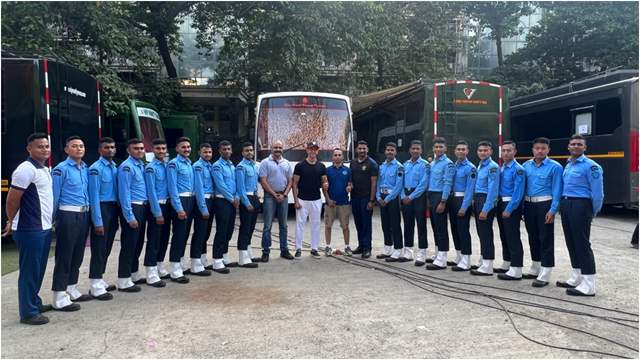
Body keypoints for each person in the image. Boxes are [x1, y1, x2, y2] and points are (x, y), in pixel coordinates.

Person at [4, 133, 56, 324]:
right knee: (29, 270)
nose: (44, 149)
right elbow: (11, 200)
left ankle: (34, 301)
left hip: (43, 227)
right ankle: (28, 313)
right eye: (40, 146)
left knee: (38, 269)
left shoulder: (42, 169)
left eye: (46, 146)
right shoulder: (25, 169)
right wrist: (11, 221)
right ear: (29, 149)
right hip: (29, 229)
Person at [558, 135, 603, 296]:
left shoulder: (592, 167)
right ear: (568, 147)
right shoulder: (569, 164)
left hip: (581, 205)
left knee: (582, 243)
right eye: (573, 144)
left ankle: (589, 284)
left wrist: (592, 211)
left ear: (585, 147)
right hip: (567, 203)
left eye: (579, 144)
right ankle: (577, 276)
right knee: (571, 241)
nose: (576, 146)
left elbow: (598, 194)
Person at [51, 136, 92, 309]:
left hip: (83, 214)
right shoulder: (61, 169)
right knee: (65, 255)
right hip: (67, 214)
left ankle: (71, 288)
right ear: (67, 150)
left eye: (81, 146)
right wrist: (53, 218)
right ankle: (59, 295)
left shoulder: (85, 168)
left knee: (77, 253)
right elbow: (54, 196)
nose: (79, 149)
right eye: (74, 146)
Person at [522, 137, 563, 287]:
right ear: (532, 150)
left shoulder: (555, 167)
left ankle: (546, 271)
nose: (540, 151)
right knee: (532, 236)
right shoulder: (526, 166)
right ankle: (536, 266)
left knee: (545, 238)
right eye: (537, 148)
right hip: (528, 204)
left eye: (543, 148)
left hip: (545, 205)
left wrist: (553, 210)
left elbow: (557, 190)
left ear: (548, 150)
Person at [87, 137, 118, 300]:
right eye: (106, 147)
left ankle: (101, 278)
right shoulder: (95, 169)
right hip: (102, 209)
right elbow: (94, 197)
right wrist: (98, 221)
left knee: (106, 246)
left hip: (113, 208)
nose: (110, 150)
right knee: (99, 248)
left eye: (112, 147)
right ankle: (95, 284)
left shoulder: (114, 167)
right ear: (100, 150)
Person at [116, 138, 149, 292]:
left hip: (142, 207)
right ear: (129, 150)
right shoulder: (126, 167)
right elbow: (124, 193)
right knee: (129, 244)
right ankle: (123, 279)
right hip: (133, 208)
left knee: (138, 243)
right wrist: (129, 216)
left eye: (141, 148)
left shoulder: (141, 165)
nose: (140, 151)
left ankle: (133, 274)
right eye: (136, 148)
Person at [259, 140, 294, 261]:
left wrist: (284, 195)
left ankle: (284, 250)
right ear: (271, 148)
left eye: (280, 147)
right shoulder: (265, 162)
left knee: (283, 225)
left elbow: (290, 181)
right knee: (267, 225)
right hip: (270, 196)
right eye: (275, 147)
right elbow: (263, 181)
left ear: (282, 149)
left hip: (283, 196)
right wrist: (274, 194)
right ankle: (266, 251)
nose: (278, 149)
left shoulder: (287, 163)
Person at [496, 141, 526, 280]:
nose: (506, 153)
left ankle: (516, 268)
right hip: (501, 203)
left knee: (513, 236)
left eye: (509, 150)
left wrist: (509, 209)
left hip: (510, 205)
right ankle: (507, 262)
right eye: (504, 150)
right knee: (504, 235)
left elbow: (518, 192)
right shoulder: (502, 168)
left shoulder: (518, 169)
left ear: (515, 152)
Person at [293, 141, 328, 258]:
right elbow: (294, 184)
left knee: (316, 224)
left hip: (316, 200)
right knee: (300, 225)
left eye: (315, 149)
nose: (313, 151)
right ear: (307, 150)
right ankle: (298, 249)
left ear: (318, 151)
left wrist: (326, 184)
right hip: (302, 199)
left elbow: (324, 181)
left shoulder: (321, 166)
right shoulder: (300, 166)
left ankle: (314, 248)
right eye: (310, 149)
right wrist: (296, 201)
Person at [166, 137, 195, 283]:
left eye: (188, 147)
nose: (187, 149)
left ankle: (181, 265)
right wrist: (179, 208)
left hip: (190, 200)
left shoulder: (189, 163)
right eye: (183, 147)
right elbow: (172, 188)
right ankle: (175, 270)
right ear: (177, 149)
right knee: (178, 236)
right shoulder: (173, 164)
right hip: (181, 202)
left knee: (184, 235)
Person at [470, 140, 500, 276]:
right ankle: (483, 260)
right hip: (478, 199)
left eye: (485, 150)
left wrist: (486, 209)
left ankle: (488, 265)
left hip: (485, 200)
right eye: (480, 150)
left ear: (491, 152)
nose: (482, 153)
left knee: (486, 233)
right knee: (481, 232)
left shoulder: (492, 167)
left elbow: (493, 190)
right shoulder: (480, 165)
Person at [425, 137, 455, 270]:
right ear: (433, 149)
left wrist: (443, 201)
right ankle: (438, 254)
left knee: (441, 228)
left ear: (445, 149)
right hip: (432, 196)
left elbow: (448, 183)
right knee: (435, 227)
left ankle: (442, 258)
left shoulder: (448, 163)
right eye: (436, 147)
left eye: (441, 147)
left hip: (440, 197)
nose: (438, 149)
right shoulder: (432, 163)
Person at [145, 139, 172, 280]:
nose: (161, 151)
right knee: (154, 239)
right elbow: (151, 192)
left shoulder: (167, 166)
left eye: (163, 148)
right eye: (158, 149)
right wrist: (157, 212)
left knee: (164, 237)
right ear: (153, 150)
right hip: (157, 206)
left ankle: (159, 265)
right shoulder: (151, 168)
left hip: (168, 205)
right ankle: (151, 271)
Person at [211, 140, 239, 273]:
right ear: (220, 151)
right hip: (223, 201)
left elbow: (236, 183)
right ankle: (217, 260)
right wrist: (232, 199)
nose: (227, 151)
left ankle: (224, 256)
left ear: (231, 150)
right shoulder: (217, 166)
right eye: (224, 149)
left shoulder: (232, 166)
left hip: (232, 201)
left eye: (228, 149)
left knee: (229, 230)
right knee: (221, 231)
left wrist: (237, 197)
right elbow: (220, 185)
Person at [400, 140, 430, 264]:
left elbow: (423, 184)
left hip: (418, 197)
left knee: (421, 224)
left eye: (418, 149)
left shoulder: (425, 165)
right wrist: (402, 196)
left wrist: (411, 197)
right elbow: (400, 182)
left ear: (421, 150)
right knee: (408, 224)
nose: (415, 151)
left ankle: (422, 253)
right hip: (405, 195)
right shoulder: (405, 165)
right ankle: (408, 251)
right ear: (409, 150)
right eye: (413, 148)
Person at [449, 141, 476, 271]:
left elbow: (470, 189)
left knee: (463, 231)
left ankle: (466, 260)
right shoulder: (454, 166)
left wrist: (464, 207)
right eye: (458, 149)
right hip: (453, 199)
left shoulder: (470, 168)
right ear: (455, 151)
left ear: (467, 151)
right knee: (455, 229)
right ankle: (459, 256)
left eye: (463, 149)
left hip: (462, 200)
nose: (460, 151)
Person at [375, 142, 404, 261]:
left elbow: (398, 186)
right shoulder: (381, 166)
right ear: (385, 152)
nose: (390, 152)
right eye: (388, 150)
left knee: (395, 224)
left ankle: (398, 249)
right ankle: (388, 248)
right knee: (385, 224)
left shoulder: (399, 166)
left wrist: (386, 199)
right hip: (382, 197)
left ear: (395, 152)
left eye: (392, 150)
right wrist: (378, 197)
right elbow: (378, 183)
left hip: (392, 198)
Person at [349, 141, 378, 259]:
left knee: (366, 224)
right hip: (355, 197)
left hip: (366, 198)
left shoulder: (372, 164)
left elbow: (374, 183)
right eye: (360, 148)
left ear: (367, 150)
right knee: (358, 222)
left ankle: (367, 248)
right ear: (356, 150)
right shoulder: (353, 163)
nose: (362, 151)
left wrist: (371, 200)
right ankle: (361, 245)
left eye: (364, 149)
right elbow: (351, 179)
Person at [190, 143, 215, 275]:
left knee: (205, 233)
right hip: (203, 201)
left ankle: (202, 259)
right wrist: (203, 208)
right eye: (205, 152)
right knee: (199, 233)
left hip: (210, 200)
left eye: (209, 152)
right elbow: (198, 189)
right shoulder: (198, 166)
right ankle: (195, 263)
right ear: (199, 152)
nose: (207, 154)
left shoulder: (210, 166)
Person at [235, 142, 261, 267]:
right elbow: (240, 188)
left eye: (251, 150)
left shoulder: (255, 166)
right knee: (245, 227)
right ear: (242, 153)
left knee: (251, 227)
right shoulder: (241, 167)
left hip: (255, 197)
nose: (249, 152)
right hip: (247, 198)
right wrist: (246, 202)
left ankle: (248, 252)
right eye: (247, 150)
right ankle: (242, 257)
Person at [323, 148, 352, 256]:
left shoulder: (348, 170)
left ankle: (347, 246)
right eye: (335, 155)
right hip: (330, 203)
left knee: (345, 226)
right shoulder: (327, 170)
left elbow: (350, 184)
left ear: (342, 157)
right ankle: (328, 247)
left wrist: (350, 187)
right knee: (328, 226)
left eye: (339, 155)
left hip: (344, 203)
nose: (337, 157)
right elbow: (324, 187)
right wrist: (328, 200)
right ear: (332, 157)